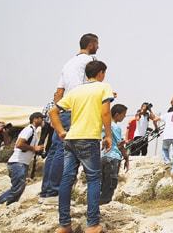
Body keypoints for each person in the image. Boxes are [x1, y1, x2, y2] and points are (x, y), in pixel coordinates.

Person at [50, 60, 115, 233]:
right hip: (89, 138)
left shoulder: (76, 91)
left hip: (71, 139)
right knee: (94, 179)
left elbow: (52, 112)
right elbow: (106, 112)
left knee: (67, 179)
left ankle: (64, 225)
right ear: (101, 73)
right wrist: (108, 135)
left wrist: (61, 131)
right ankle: (92, 224)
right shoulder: (104, 87)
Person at [41, 33, 99, 201]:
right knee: (64, 151)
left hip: (63, 110)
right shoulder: (89, 62)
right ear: (91, 44)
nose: (98, 47)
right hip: (77, 109)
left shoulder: (68, 64)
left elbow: (58, 93)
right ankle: (55, 192)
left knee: (53, 151)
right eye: (97, 44)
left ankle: (46, 191)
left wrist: (57, 114)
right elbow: (92, 86)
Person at [0, 112, 45, 208]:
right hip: (18, 163)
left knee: (18, 188)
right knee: (17, 189)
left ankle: (7, 207)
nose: (43, 120)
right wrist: (34, 148)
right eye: (41, 118)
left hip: (21, 163)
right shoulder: (29, 130)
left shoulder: (34, 131)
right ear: (35, 119)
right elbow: (19, 144)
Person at [100, 104, 129, 205]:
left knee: (102, 183)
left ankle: (98, 204)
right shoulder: (116, 127)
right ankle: (105, 205)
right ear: (117, 114)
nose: (124, 117)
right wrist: (126, 157)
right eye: (123, 115)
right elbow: (119, 145)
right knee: (110, 184)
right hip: (113, 158)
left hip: (103, 157)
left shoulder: (105, 126)